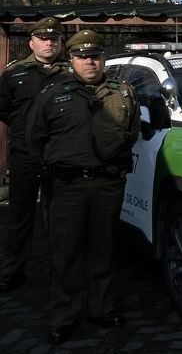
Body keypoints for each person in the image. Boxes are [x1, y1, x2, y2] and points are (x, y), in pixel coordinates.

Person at [28, 30, 140, 344]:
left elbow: (131, 133)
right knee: (66, 252)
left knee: (103, 248)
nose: (89, 62)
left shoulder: (123, 93)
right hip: (67, 186)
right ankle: (64, 316)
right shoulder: (53, 93)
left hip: (107, 183)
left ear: (103, 57)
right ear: (71, 59)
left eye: (95, 55)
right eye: (81, 56)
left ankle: (100, 308)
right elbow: (35, 137)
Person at [0, 17, 69, 293]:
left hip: (61, 153)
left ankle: (62, 272)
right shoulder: (13, 73)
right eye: (43, 38)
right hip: (25, 154)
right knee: (19, 215)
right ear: (32, 43)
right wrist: (25, 128)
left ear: (60, 43)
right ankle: (13, 270)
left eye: (54, 38)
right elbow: (3, 108)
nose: (49, 43)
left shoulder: (71, 72)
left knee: (61, 216)